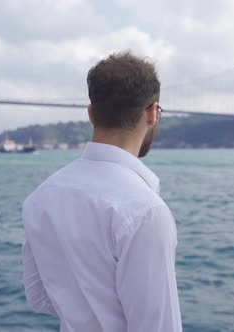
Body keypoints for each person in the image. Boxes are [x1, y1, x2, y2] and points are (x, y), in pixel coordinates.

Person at [22, 51, 182, 332]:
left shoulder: (41, 196)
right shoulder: (146, 211)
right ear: (152, 113)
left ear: (91, 113)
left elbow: (39, 297)